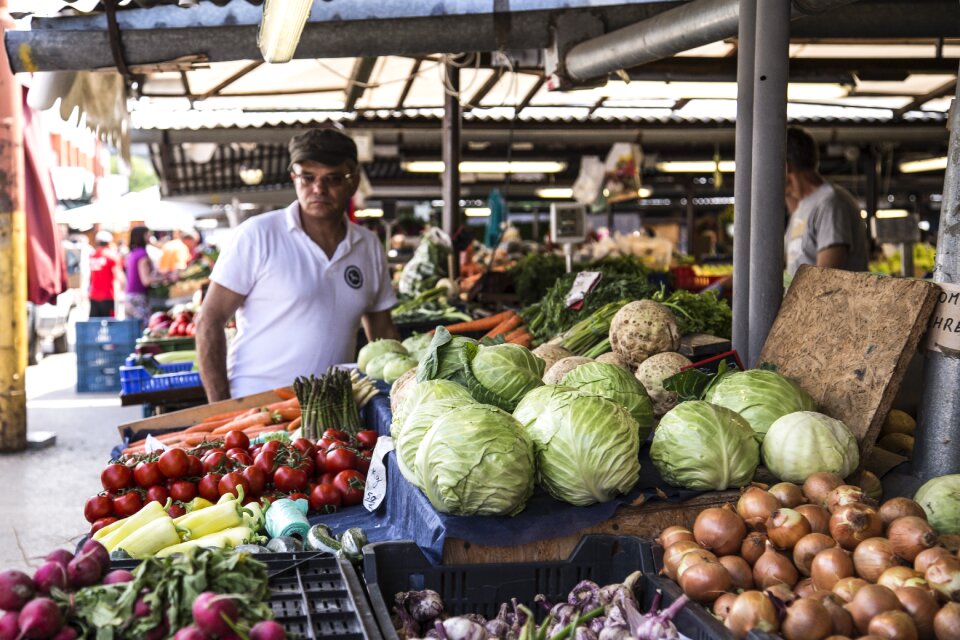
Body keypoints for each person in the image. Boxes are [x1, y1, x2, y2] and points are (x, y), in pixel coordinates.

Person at [197, 128, 400, 401]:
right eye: (307, 177)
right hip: (256, 406)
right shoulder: (258, 235)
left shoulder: (368, 246)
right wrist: (220, 407)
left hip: (334, 409)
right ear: (294, 178)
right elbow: (209, 320)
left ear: (353, 182)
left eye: (333, 179)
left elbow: (382, 333)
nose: (319, 189)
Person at [783, 126, 868, 277]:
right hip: (801, 301)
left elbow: (824, 281)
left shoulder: (830, 204)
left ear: (786, 166)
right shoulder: (802, 208)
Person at [124, 226, 161, 323]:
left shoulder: (133, 253)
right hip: (138, 298)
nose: (150, 237)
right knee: (143, 328)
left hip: (130, 296)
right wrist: (165, 278)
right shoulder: (142, 254)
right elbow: (146, 280)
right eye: (148, 234)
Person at [88, 230, 123, 317]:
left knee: (94, 325)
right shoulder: (112, 256)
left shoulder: (93, 255)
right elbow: (119, 275)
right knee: (110, 325)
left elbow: (91, 276)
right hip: (108, 295)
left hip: (94, 294)